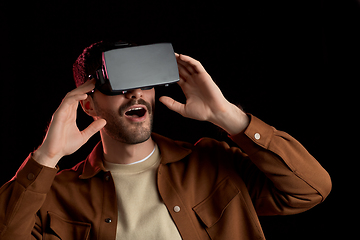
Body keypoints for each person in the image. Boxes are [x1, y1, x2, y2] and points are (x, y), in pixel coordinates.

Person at [0, 41, 331, 240]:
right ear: (87, 104)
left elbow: (311, 190)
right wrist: (46, 156)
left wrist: (229, 117)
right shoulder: (58, 194)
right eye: (118, 85)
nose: (135, 93)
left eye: (143, 81)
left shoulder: (212, 162)